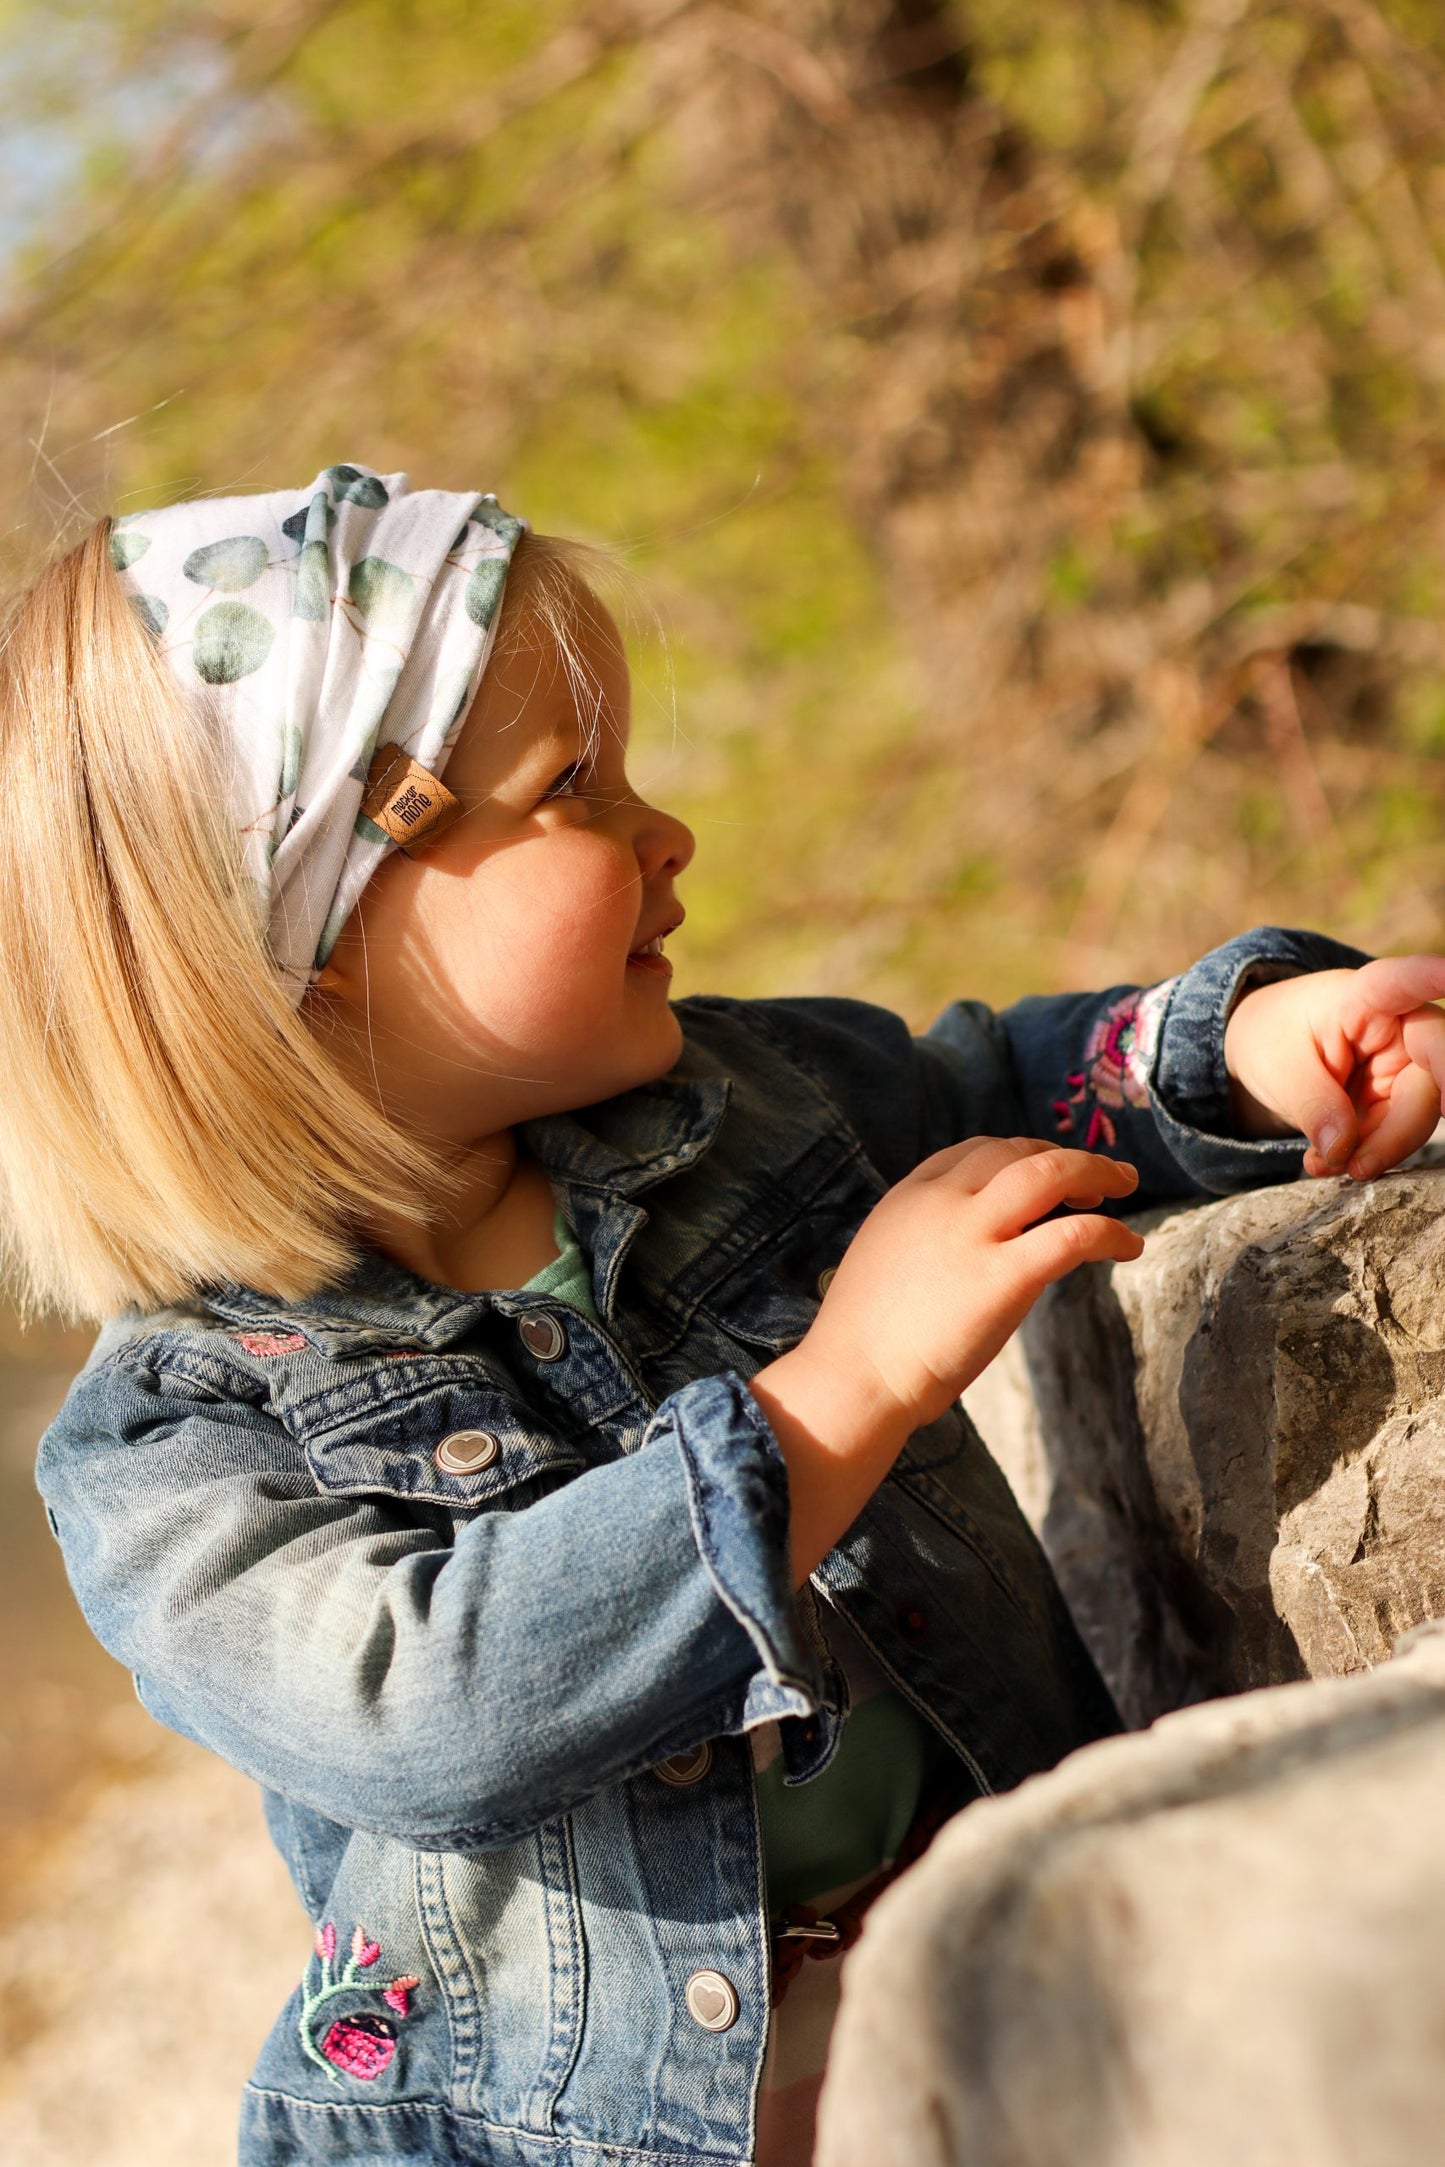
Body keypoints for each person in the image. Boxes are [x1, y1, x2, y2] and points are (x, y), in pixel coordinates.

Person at [9, 460, 1445, 2167]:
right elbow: (430, 1708)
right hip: (591, 2132)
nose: (663, 832)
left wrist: (1232, 1053)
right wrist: (835, 1397)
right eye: (573, 792)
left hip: (977, 1944)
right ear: (300, 935)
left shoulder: (736, 1103)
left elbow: (997, 1087)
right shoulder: (178, 1439)